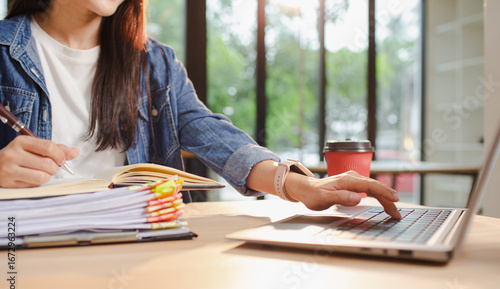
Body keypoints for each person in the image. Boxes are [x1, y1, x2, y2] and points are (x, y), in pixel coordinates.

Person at [0, 0, 401, 219]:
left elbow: (212, 134)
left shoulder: (154, 64)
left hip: (138, 242)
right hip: (29, 250)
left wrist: (298, 185)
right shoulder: (4, 50)